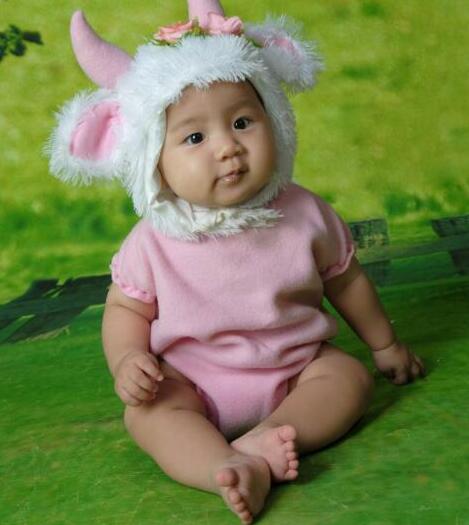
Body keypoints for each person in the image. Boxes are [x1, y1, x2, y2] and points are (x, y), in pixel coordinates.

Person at [47, 2, 425, 523]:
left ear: (275, 118)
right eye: (195, 137)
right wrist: (127, 359)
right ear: (154, 159)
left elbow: (348, 282)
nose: (228, 148)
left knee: (348, 378)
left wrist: (384, 345)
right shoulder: (151, 241)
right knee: (147, 414)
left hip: (296, 368)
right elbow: (127, 309)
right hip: (191, 379)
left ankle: (270, 436)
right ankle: (224, 466)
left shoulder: (306, 214)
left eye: (243, 122)